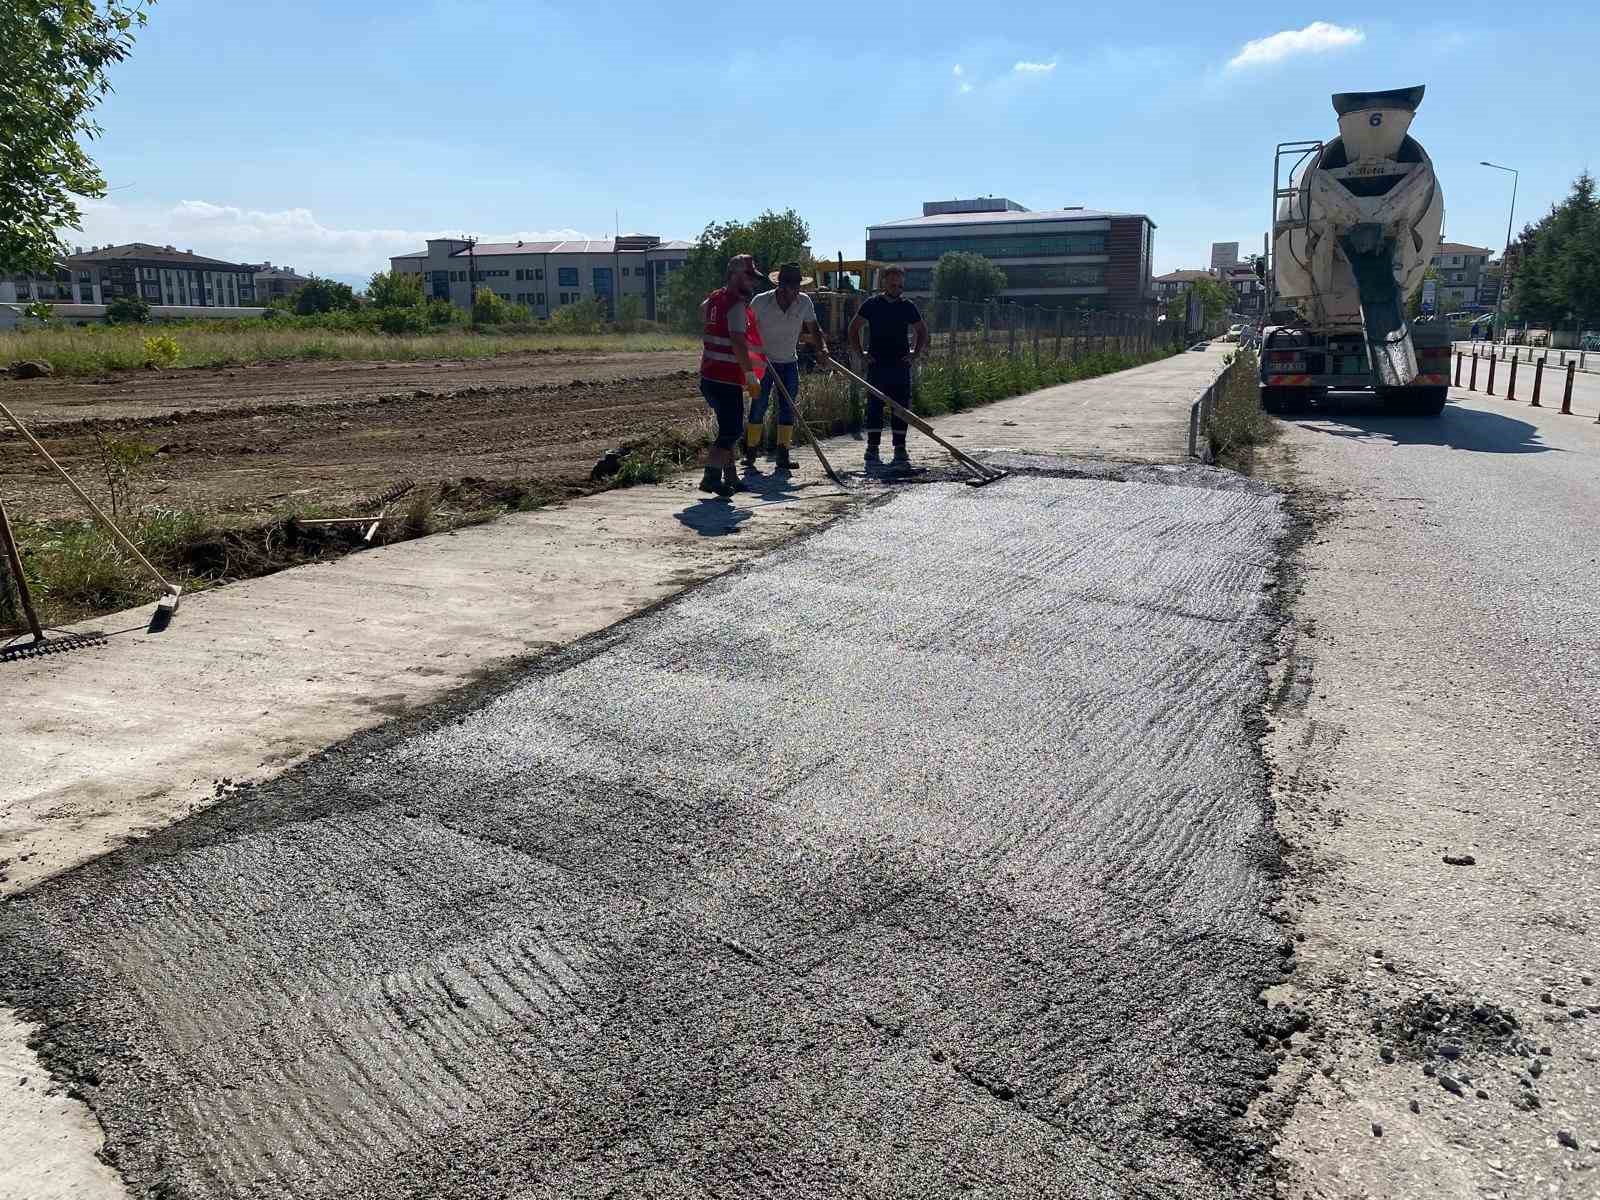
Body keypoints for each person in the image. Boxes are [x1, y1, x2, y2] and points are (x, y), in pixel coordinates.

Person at [746, 263, 828, 470]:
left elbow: (815, 329)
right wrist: (753, 352)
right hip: (763, 363)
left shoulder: (804, 302)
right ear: (780, 286)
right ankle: (751, 451)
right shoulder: (761, 301)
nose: (796, 292)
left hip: (789, 362)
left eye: (798, 287)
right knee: (759, 406)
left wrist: (822, 349)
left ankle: (783, 453)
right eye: (792, 288)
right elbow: (746, 329)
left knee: (788, 408)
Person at [848, 265, 929, 469]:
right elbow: (853, 328)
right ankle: (872, 448)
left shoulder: (907, 306)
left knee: (900, 409)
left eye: (900, 284)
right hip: (877, 365)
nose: (897, 287)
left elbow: (922, 331)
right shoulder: (872, 304)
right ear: (884, 282)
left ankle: (900, 449)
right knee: (874, 408)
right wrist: (861, 354)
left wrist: (914, 353)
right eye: (893, 283)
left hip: (900, 366)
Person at [698, 254, 766, 496]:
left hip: (708, 377)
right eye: (749, 277)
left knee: (727, 427)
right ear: (736, 275)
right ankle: (711, 476)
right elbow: (738, 341)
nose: (752, 283)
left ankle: (730, 477)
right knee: (732, 431)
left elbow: (702, 311)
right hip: (726, 379)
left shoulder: (714, 299)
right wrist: (750, 374)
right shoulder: (736, 304)